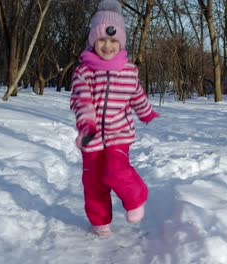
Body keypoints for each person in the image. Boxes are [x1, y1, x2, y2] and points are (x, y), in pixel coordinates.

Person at [70, 0, 159, 236]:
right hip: (92, 137)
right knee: (94, 182)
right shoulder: (84, 71)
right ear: (93, 40)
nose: (107, 46)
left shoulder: (128, 71)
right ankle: (99, 221)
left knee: (116, 172)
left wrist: (146, 111)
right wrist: (86, 125)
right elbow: (81, 100)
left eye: (113, 41)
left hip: (120, 134)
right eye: (101, 40)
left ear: (121, 42)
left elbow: (136, 94)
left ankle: (136, 197)